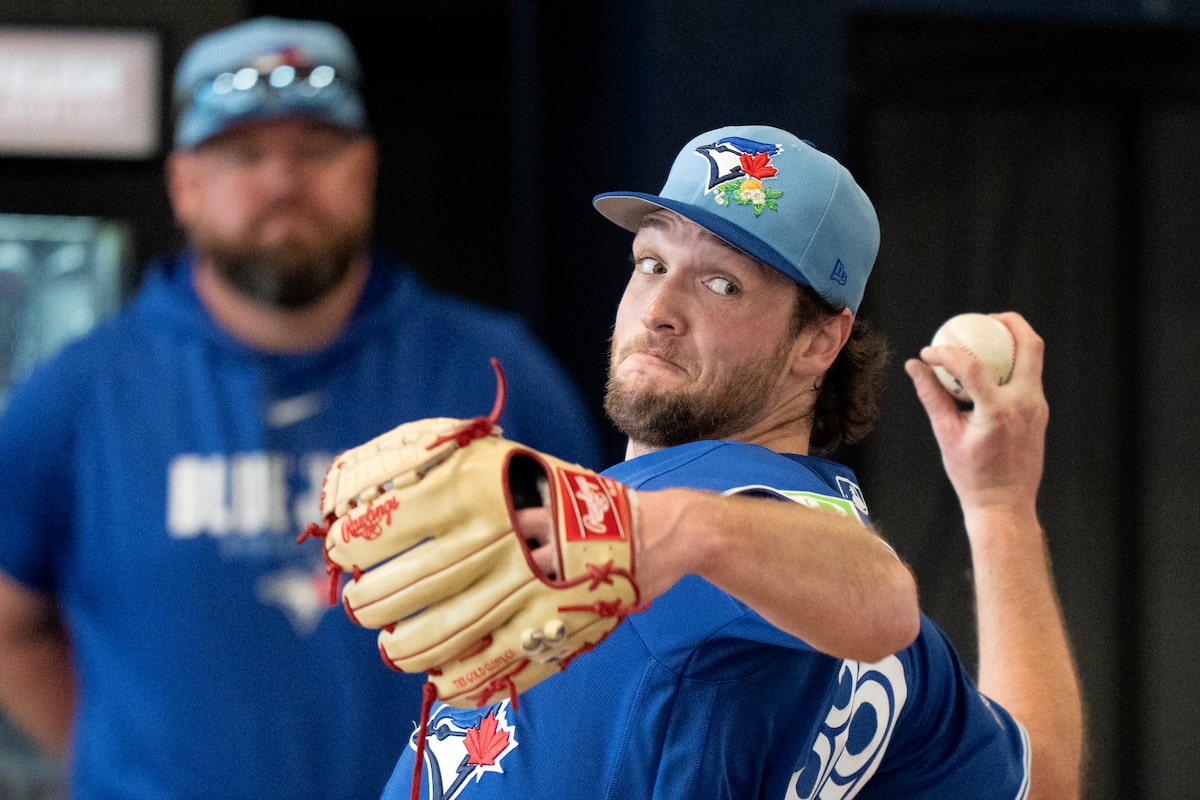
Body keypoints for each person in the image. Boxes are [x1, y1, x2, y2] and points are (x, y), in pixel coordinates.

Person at [357, 125, 1083, 799]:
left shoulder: (697, 513)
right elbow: (1041, 778)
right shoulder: (878, 640)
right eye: (652, 263)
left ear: (819, 343)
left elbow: (879, 594)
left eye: (721, 283)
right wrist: (1000, 508)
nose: (659, 309)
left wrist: (680, 531)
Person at [0, 16, 605, 800]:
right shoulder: (75, 395)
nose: (282, 182)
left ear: (367, 168)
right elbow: (11, 626)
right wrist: (119, 764)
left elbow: (592, 613)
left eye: (316, 150)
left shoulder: (496, 376)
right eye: (244, 154)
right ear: (184, 183)